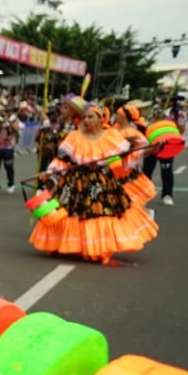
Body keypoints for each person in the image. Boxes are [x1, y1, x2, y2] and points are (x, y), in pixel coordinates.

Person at [28, 101, 159, 265]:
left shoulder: (111, 136)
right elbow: (62, 161)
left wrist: (150, 150)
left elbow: (126, 158)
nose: (86, 120)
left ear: (100, 119)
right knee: (68, 213)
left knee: (101, 214)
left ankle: (97, 249)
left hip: (103, 184)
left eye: (91, 117)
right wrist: (48, 173)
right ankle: (63, 244)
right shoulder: (74, 137)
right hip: (76, 183)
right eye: (85, 117)